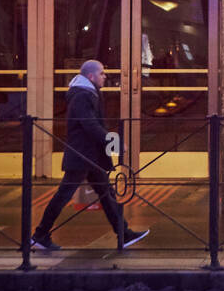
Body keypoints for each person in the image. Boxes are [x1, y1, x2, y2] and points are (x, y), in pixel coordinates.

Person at [30, 59, 149, 251]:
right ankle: (40, 234)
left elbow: (93, 125)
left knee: (107, 195)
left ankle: (124, 234)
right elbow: (90, 125)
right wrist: (114, 142)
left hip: (89, 156)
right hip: (82, 156)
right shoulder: (82, 96)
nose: (105, 76)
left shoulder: (87, 93)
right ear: (91, 76)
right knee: (64, 195)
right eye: (102, 73)